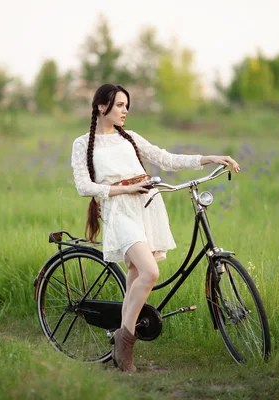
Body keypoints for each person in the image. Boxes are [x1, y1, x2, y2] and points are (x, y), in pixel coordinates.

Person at [70, 83, 240, 372]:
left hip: (146, 208)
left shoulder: (131, 138)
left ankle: (118, 341)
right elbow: (84, 187)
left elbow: (166, 159)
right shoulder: (82, 143)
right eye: (120, 105)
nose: (125, 110)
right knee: (150, 272)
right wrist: (126, 189)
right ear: (102, 106)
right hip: (118, 210)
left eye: (127, 106)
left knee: (136, 274)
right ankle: (124, 347)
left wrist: (209, 158)